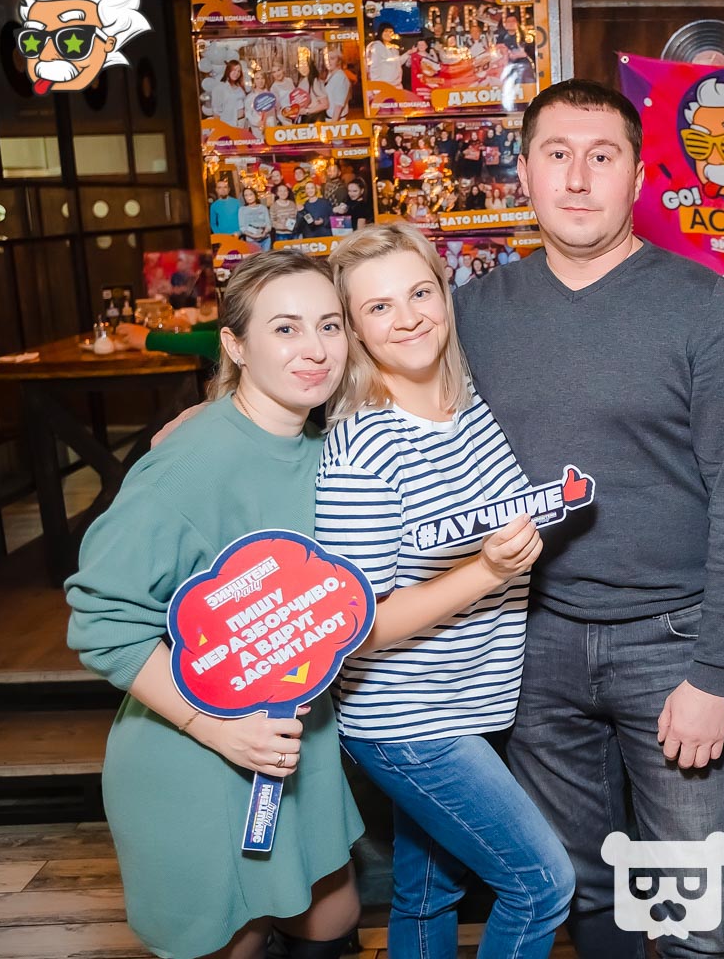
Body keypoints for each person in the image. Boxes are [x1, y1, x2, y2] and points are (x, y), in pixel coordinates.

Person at [454, 79, 724, 959]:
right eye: (556, 154)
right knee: (582, 894)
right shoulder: (471, 313)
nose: (578, 177)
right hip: (531, 641)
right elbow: (374, 402)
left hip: (673, 645)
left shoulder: (705, 309)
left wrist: (714, 674)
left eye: (603, 156)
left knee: (689, 917)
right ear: (523, 173)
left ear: (636, 177)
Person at [66, 251, 363, 959]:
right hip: (198, 756)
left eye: (329, 325)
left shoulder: (330, 444)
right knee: (236, 936)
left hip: (296, 748)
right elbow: (101, 620)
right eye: (285, 329)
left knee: (332, 917)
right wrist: (216, 729)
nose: (316, 349)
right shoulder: (189, 463)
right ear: (235, 345)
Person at [316, 223, 574, 958]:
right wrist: (487, 572)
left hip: (466, 700)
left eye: (420, 293)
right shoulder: (363, 449)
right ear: (355, 330)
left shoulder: (469, 407)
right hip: (406, 721)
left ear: (445, 294)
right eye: (379, 307)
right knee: (541, 885)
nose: (408, 318)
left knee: (428, 892)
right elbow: (355, 627)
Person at [239, 185, 272, 250]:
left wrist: (264, 233)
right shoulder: (242, 210)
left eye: (251, 194)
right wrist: (254, 236)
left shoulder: (263, 208)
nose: (249, 197)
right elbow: (242, 228)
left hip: (265, 240)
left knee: (266, 256)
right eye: (246, 195)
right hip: (252, 241)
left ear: (255, 195)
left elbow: (268, 224)